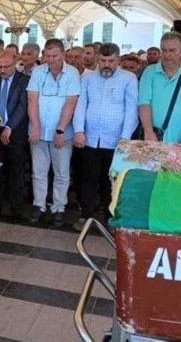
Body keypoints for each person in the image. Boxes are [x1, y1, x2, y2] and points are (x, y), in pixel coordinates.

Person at [72, 43, 138, 231]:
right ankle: (86, 216)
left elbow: (131, 109)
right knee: (88, 179)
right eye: (103, 60)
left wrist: (125, 137)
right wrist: (79, 130)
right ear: (97, 60)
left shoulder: (129, 79)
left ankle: (110, 218)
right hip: (90, 138)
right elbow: (81, 105)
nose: (107, 64)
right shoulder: (88, 79)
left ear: (118, 60)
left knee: (111, 181)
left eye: (111, 61)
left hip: (116, 141)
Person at [27, 38, 81, 228]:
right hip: (38, 132)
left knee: (62, 172)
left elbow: (71, 103)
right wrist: (35, 126)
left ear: (63, 54)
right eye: (48, 56)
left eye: (55, 55)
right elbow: (32, 99)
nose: (51, 59)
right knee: (38, 171)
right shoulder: (38, 72)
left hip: (62, 133)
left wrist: (60, 129)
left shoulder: (72, 73)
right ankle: (39, 205)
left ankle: (59, 207)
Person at [0, 51, 29, 222]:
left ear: (15, 63)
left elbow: (23, 106)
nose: (2, 70)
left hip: (15, 131)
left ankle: (17, 210)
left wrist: (9, 127)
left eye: (7, 67)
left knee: (16, 171)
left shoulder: (24, 80)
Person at [138, 32, 181, 144]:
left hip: (180, 140)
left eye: (172, 50)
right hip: (153, 138)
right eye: (164, 50)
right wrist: (148, 132)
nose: (167, 55)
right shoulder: (149, 72)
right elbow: (144, 103)